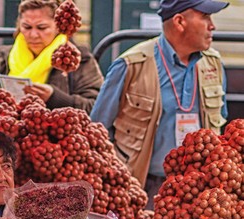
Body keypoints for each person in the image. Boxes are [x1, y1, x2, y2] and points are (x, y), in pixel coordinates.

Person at [90, 0, 229, 207]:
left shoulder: (213, 64)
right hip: (141, 189)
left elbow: (221, 126)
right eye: (205, 16)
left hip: (198, 192)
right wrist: (116, 183)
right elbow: (97, 132)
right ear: (180, 21)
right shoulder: (131, 65)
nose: (212, 26)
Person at [0, 0, 103, 114]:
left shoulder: (76, 58)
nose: (33, 35)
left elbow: (97, 107)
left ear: (58, 27)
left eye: (42, 28)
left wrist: (54, 97)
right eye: (27, 27)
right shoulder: (6, 57)